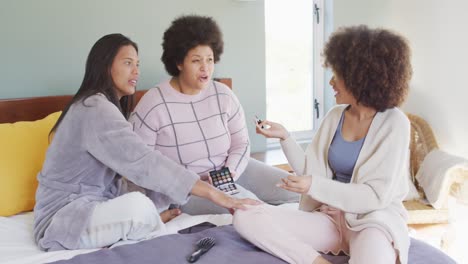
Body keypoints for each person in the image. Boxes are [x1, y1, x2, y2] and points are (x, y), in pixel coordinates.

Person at [33, 33, 259, 251]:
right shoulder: (93, 108)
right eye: (128, 63)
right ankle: (147, 225)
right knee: (139, 207)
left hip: (92, 206)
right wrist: (214, 193)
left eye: (137, 64)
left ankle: (146, 222)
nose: (136, 71)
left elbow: (128, 174)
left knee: (154, 197)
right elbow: (144, 161)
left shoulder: (103, 106)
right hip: (63, 220)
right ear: (105, 66)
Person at [233, 25, 413, 264]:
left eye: (337, 74)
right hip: (328, 218)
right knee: (245, 215)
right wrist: (285, 137)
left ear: (361, 78)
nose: (331, 81)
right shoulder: (335, 115)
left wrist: (312, 185)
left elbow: (373, 196)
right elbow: (312, 174)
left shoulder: (395, 123)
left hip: (372, 221)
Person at [129, 15, 298, 215]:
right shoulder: (153, 103)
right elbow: (139, 162)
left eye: (209, 60)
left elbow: (241, 144)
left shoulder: (223, 94)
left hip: (231, 171)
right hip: (188, 190)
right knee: (252, 210)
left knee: (296, 191)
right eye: (196, 60)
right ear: (179, 62)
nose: (205, 68)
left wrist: (230, 173)